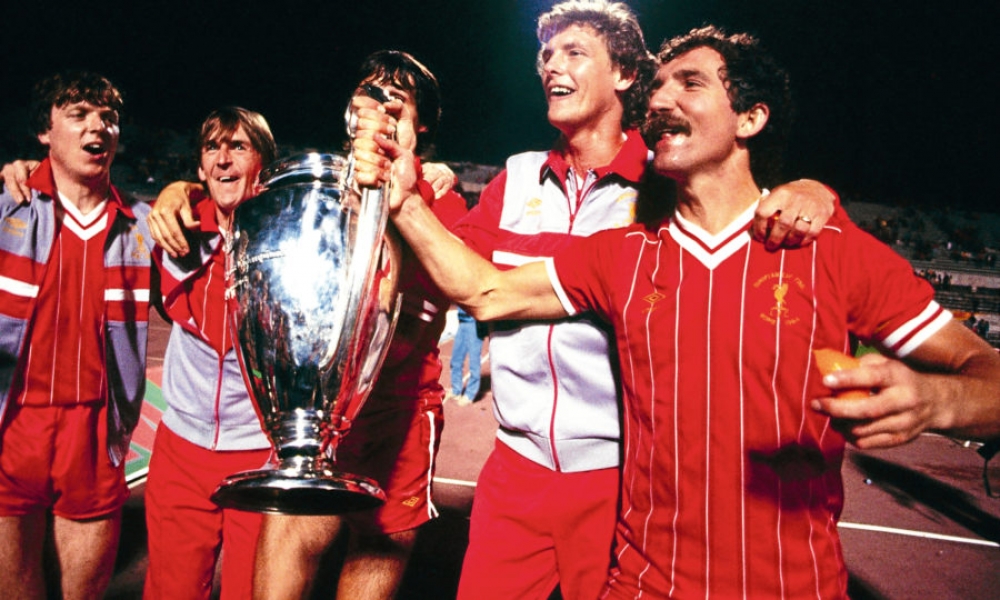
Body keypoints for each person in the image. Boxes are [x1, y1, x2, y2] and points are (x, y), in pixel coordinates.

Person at [354, 24, 1000, 599]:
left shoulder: (828, 249)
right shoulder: (624, 255)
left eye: (689, 83)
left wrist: (935, 401)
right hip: (638, 582)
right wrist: (404, 197)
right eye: (658, 86)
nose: (660, 99)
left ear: (751, 117)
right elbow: (487, 290)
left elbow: (986, 375)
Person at [145, 50, 467, 599]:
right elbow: (238, 202)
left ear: (422, 126)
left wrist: (400, 188)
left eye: (395, 107)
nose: (378, 114)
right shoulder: (320, 197)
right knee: (277, 570)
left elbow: (389, 316)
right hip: (311, 415)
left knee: (372, 561)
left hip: (396, 417)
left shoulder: (447, 209)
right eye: (367, 103)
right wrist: (185, 187)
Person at [0, 70, 154, 599]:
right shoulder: (7, 206)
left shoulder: (143, 224)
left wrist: (183, 188)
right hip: (12, 427)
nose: (98, 127)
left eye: (108, 117)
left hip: (93, 434)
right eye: (79, 115)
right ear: (44, 132)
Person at [143, 106, 277, 600]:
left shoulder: (290, 237)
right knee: (171, 591)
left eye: (238, 146)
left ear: (263, 162)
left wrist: (432, 173)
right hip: (181, 449)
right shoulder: (171, 229)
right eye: (211, 148)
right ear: (199, 168)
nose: (223, 159)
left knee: (252, 591)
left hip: (261, 455)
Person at [448, 306, 485, 405]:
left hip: (474, 323)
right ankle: (456, 390)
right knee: (455, 360)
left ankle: (470, 394)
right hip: (462, 321)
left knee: (474, 362)